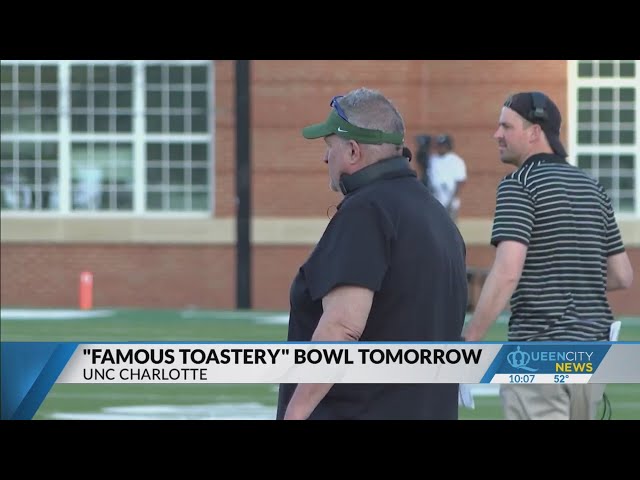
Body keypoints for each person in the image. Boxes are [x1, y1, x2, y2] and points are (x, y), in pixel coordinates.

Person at [276, 87, 468, 420]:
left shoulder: (366, 211)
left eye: (329, 147)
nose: (325, 158)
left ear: (352, 151)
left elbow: (341, 327)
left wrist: (296, 413)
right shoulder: (437, 216)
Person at [462, 91, 634, 420]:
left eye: (505, 126)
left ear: (535, 131)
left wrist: (470, 340)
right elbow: (622, 275)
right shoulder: (592, 186)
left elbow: (507, 271)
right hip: (592, 357)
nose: (496, 135)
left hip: (539, 355)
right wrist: (569, 285)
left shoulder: (520, 184)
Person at [427, 134, 467, 222]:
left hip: (450, 204)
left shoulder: (456, 160)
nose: (440, 147)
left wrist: (450, 202)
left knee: (450, 231)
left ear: (448, 146)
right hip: (435, 203)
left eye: (443, 145)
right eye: (439, 145)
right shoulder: (432, 159)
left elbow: (460, 182)